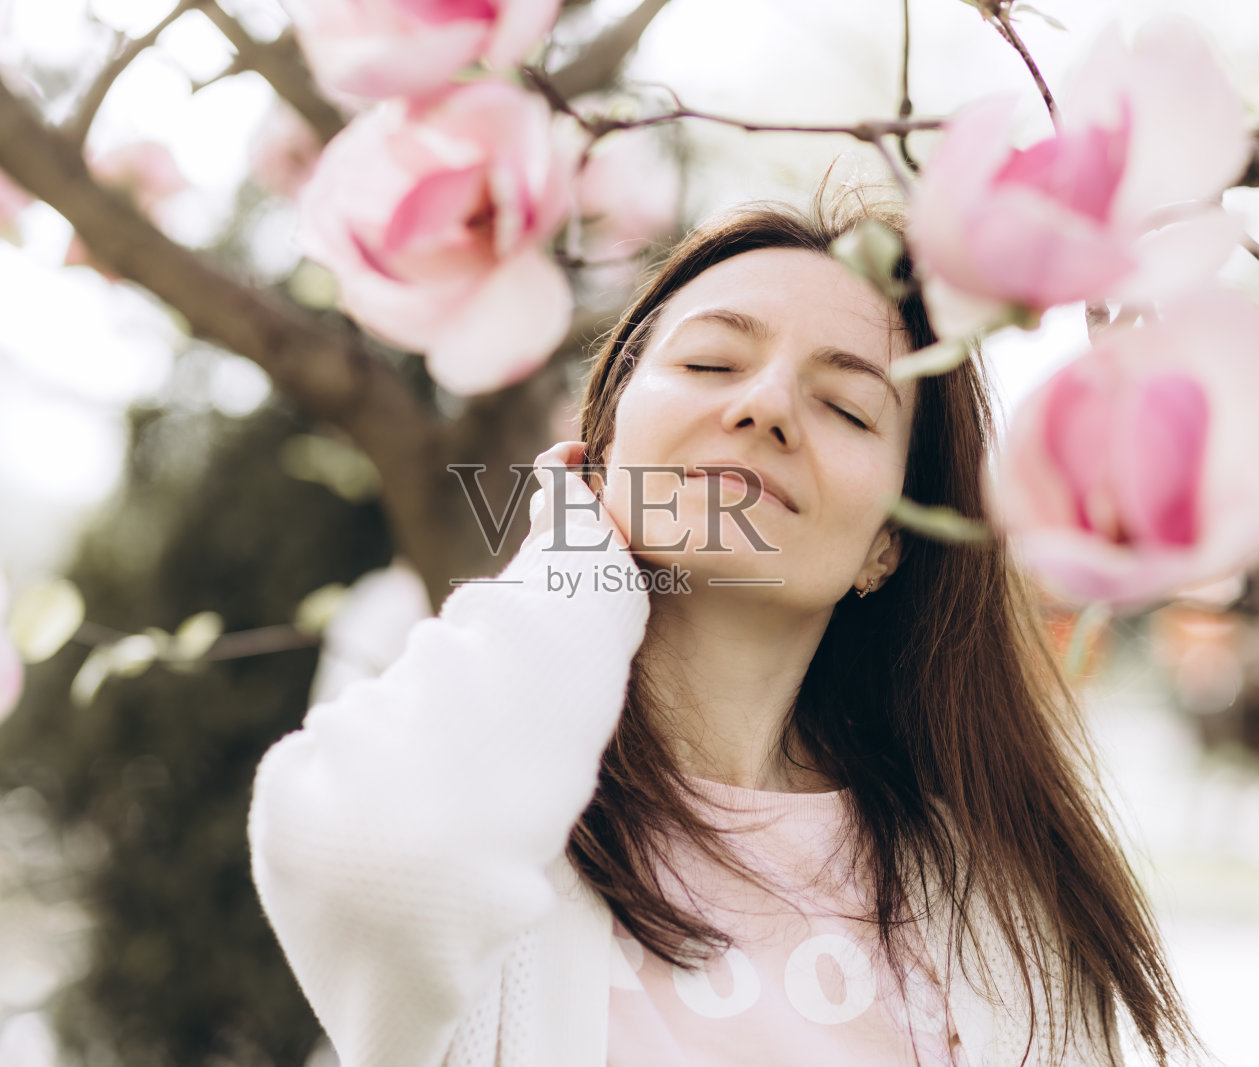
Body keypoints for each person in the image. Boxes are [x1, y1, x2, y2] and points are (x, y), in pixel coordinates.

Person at [247, 199, 1203, 1067]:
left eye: (846, 406)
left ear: (887, 546)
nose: (765, 407)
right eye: (709, 363)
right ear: (606, 439)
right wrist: (576, 560)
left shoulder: (995, 899)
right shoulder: (505, 831)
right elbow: (365, 858)